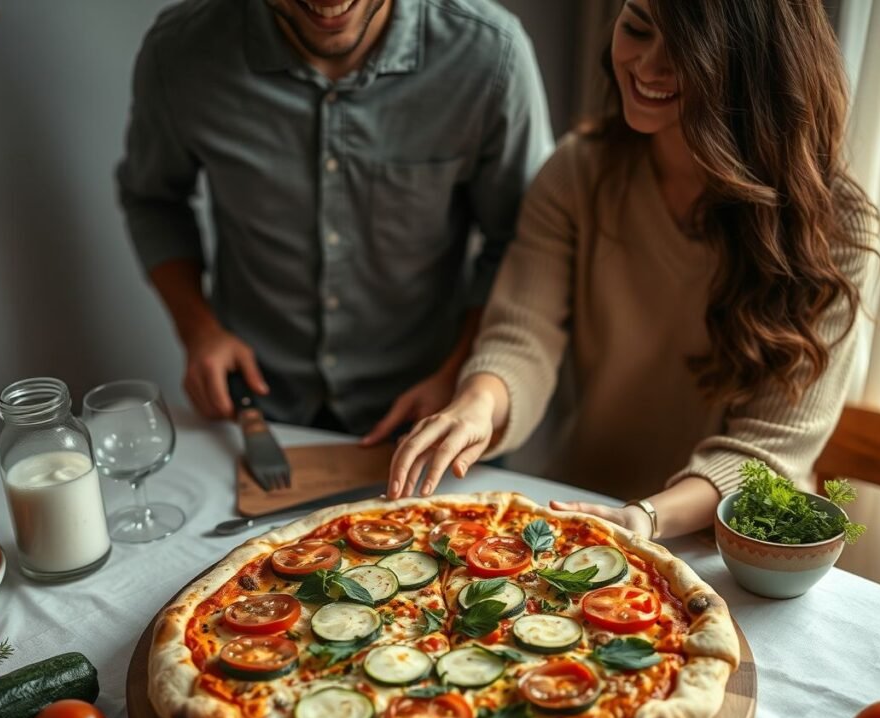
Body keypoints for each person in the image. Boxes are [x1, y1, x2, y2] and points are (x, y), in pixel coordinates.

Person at [386, 0, 878, 541]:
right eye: (637, 29)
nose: (646, 66)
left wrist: (645, 516)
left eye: (683, 52)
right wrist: (477, 404)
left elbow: (768, 449)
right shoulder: (576, 173)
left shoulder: (835, 224)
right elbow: (522, 338)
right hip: (586, 508)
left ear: (749, 67)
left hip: (736, 539)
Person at [116, 0, 553, 436]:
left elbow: (522, 242)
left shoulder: (490, 55)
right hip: (259, 406)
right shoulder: (179, 52)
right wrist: (199, 329)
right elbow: (153, 200)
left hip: (433, 404)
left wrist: (460, 373)